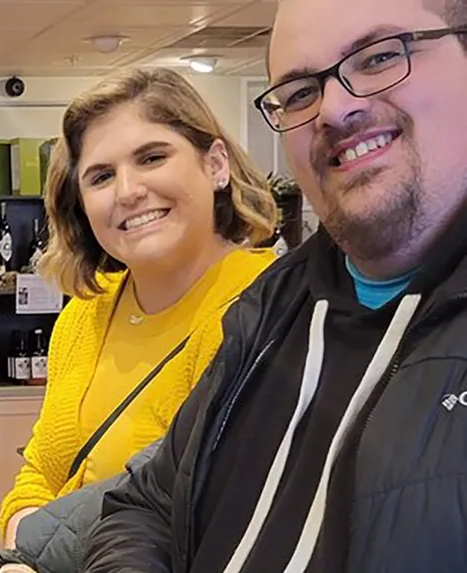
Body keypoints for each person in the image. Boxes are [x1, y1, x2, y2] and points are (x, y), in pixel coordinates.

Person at [83, 1, 467, 572]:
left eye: (380, 57)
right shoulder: (267, 312)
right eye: (299, 93)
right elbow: (149, 504)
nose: (335, 109)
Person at [0, 67, 279, 552]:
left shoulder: (264, 310)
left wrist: (46, 558)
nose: (127, 191)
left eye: (152, 158)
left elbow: (209, 516)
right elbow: (41, 471)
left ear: (215, 164)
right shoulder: (85, 315)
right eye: (101, 176)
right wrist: (28, 543)